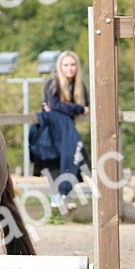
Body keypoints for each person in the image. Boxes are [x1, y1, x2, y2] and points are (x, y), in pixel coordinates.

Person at [38, 50, 89, 196]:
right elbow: (55, 105)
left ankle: (64, 194)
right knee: (55, 162)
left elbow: (88, 105)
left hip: (66, 129)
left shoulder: (79, 86)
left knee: (73, 156)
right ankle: (60, 196)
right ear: (60, 67)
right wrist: (78, 108)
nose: (70, 68)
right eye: (66, 65)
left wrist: (66, 107)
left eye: (72, 65)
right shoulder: (53, 83)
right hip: (51, 129)